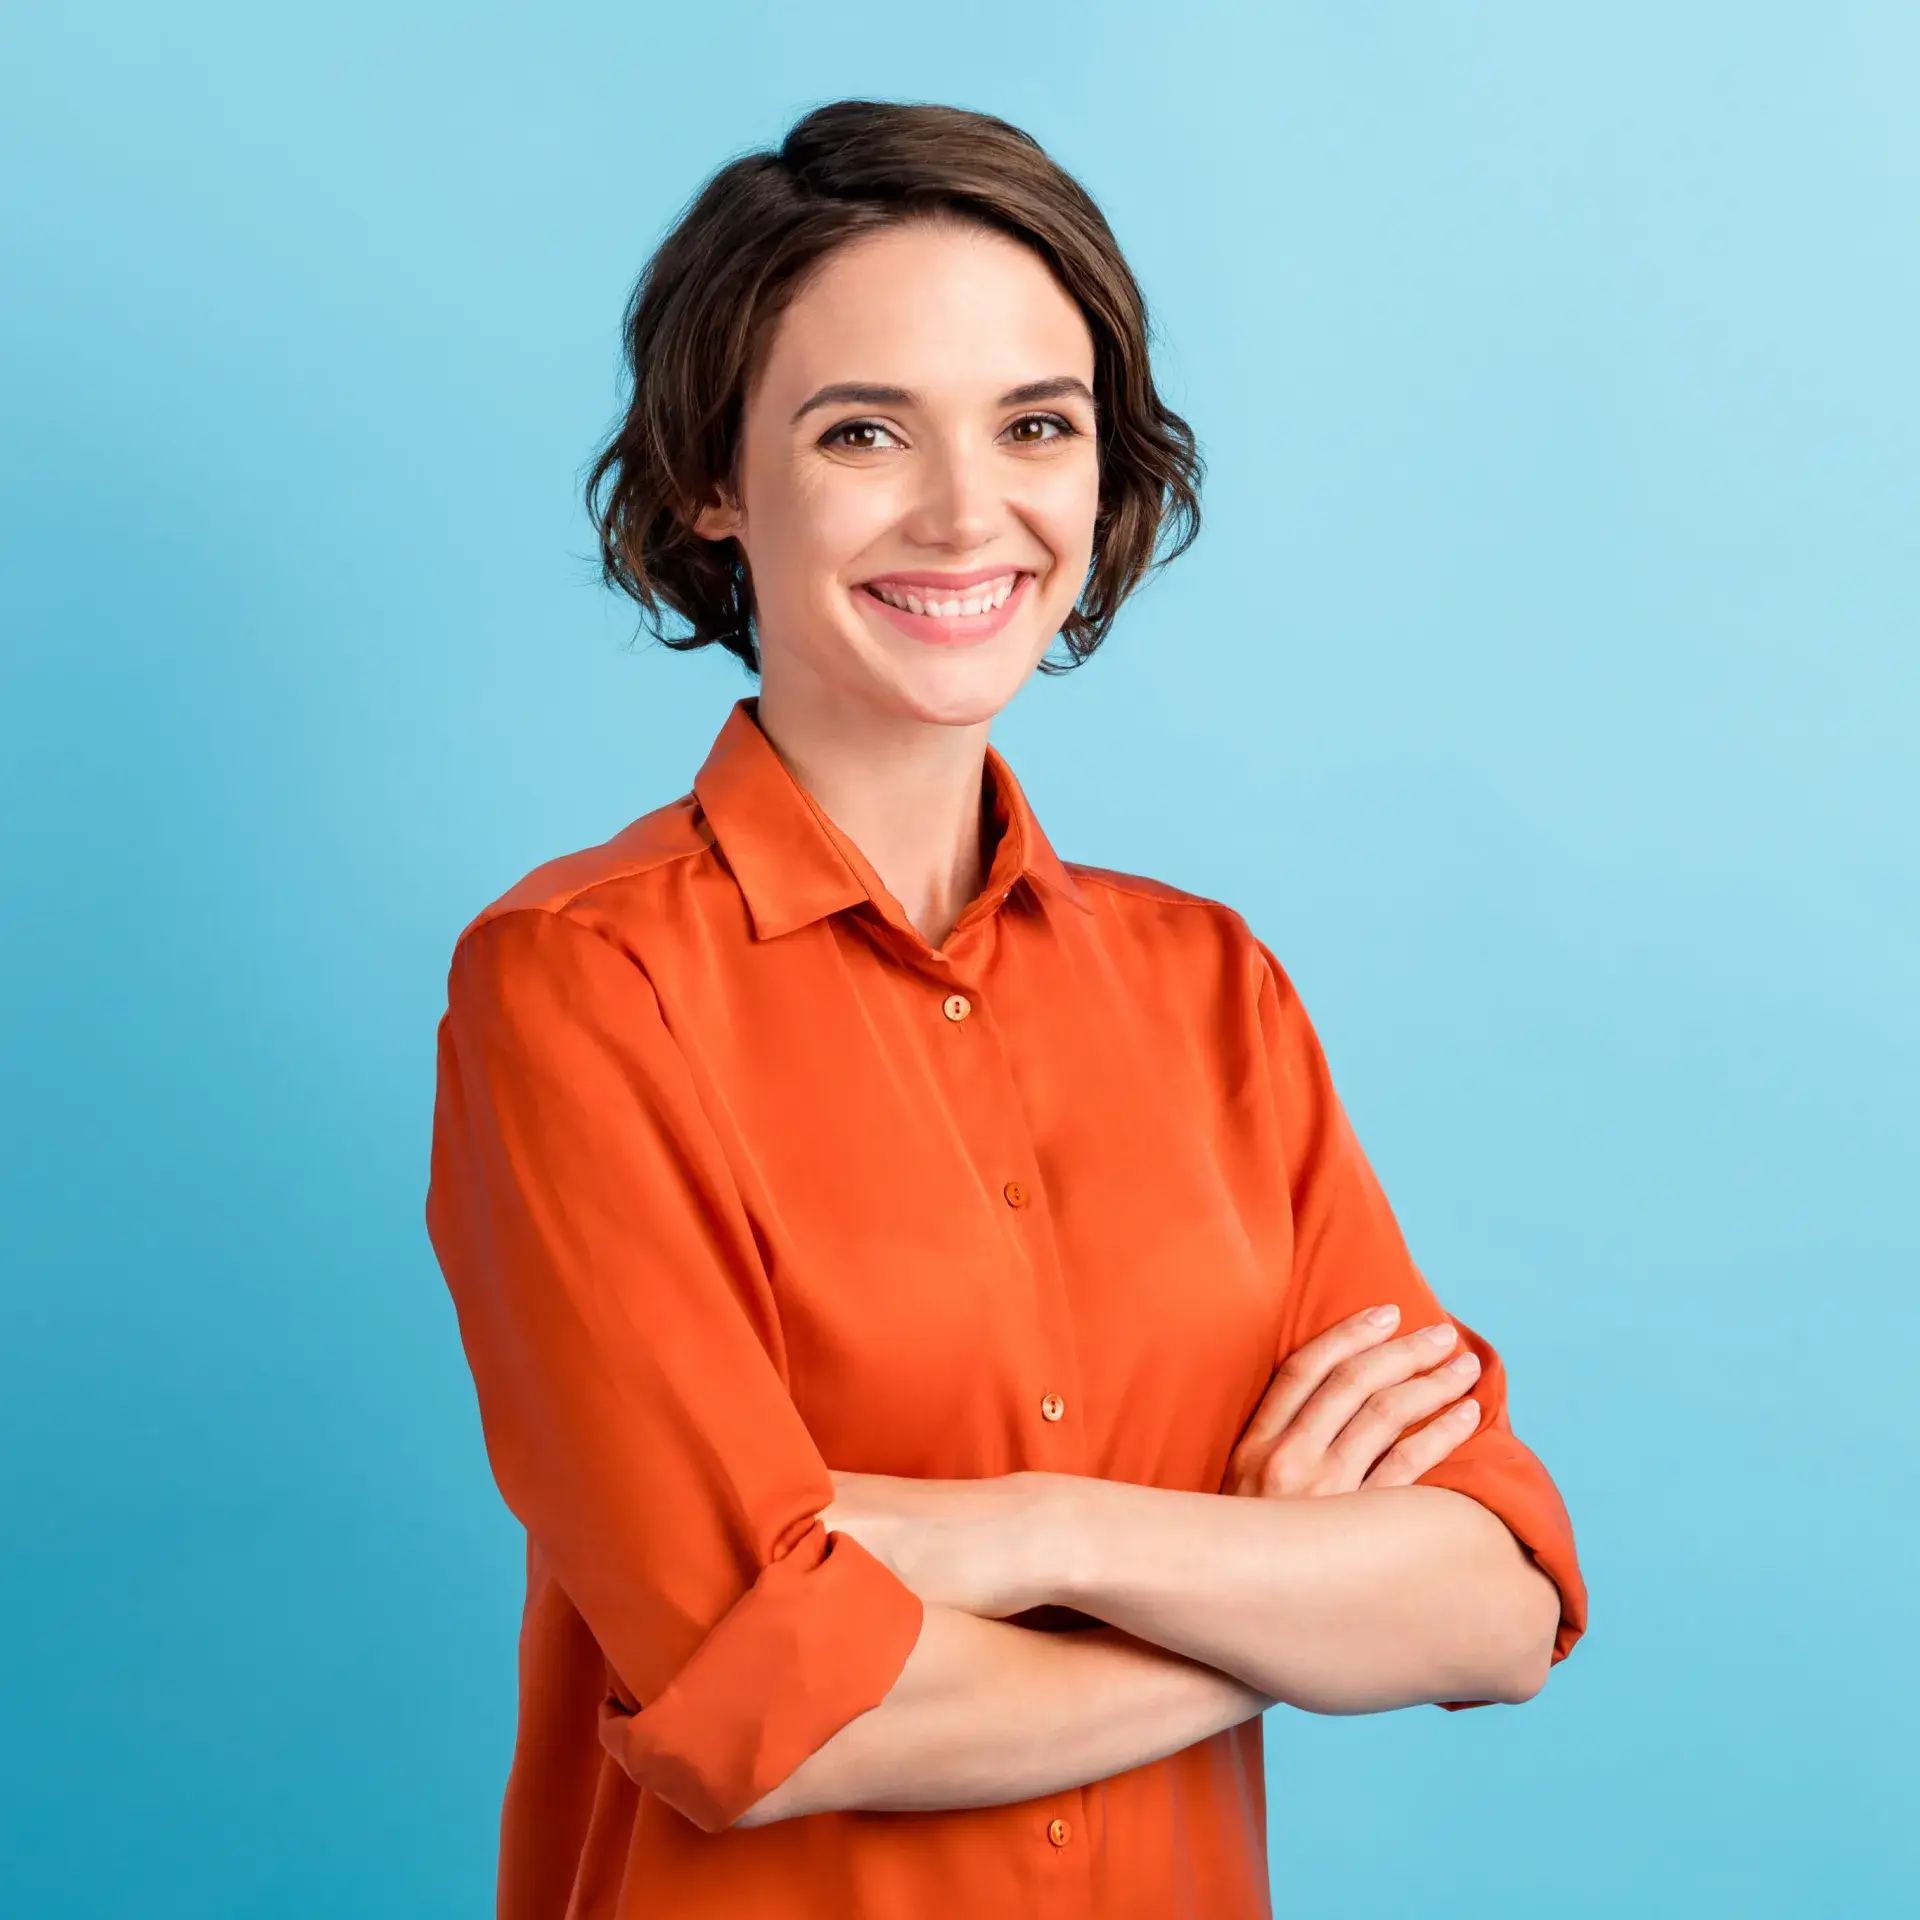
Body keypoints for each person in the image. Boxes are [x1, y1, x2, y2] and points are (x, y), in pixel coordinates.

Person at [425, 98, 1587, 1920]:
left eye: (1036, 424)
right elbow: (782, 1707)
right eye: (863, 430)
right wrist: (1270, 1611)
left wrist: (1048, 1536)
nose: (969, 513)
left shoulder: (1214, 990)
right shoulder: (583, 982)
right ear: (713, 479)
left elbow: (1497, 1599)